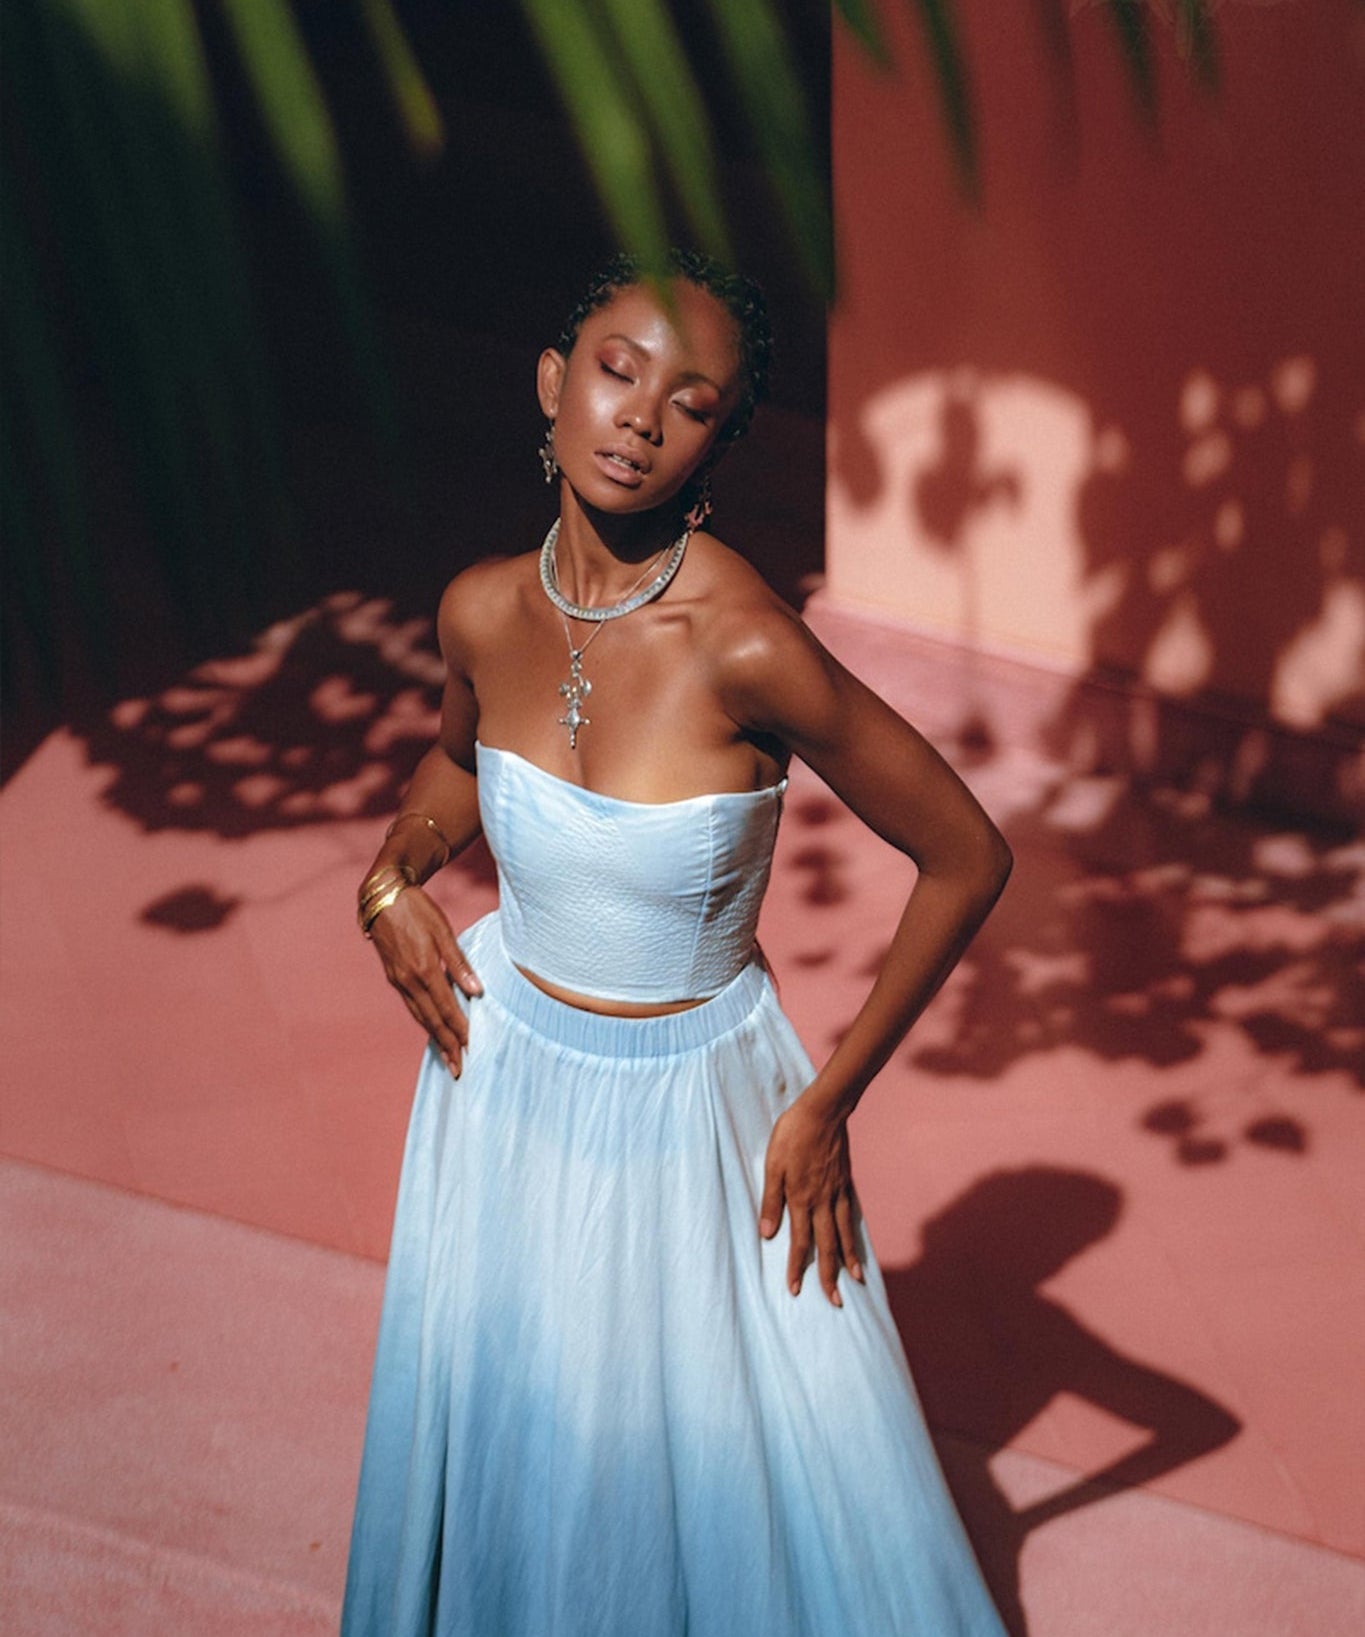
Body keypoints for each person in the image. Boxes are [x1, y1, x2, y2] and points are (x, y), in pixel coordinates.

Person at [341, 250, 1013, 1636]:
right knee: (529, 1443)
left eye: (691, 403)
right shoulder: (481, 607)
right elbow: (457, 767)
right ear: (553, 382)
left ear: (714, 445)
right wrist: (390, 885)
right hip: (498, 1089)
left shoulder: (749, 646)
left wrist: (827, 1103)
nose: (642, 417)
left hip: (701, 1119)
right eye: (617, 370)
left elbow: (965, 853)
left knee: (715, 1482)